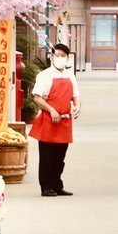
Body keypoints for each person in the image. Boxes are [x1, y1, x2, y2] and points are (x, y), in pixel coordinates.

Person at [29, 43, 81, 197]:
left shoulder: (70, 75)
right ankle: (46, 186)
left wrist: (77, 106)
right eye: (57, 55)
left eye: (63, 55)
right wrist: (51, 110)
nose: (60, 58)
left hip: (64, 121)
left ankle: (57, 184)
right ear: (52, 57)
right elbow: (37, 97)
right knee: (47, 156)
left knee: (60, 157)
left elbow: (76, 94)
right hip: (48, 120)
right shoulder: (44, 75)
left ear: (67, 58)